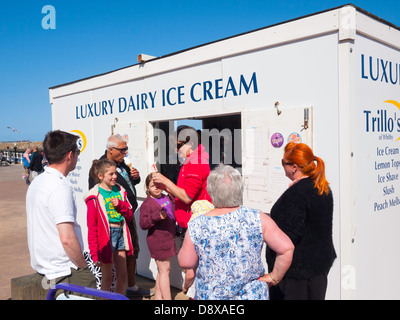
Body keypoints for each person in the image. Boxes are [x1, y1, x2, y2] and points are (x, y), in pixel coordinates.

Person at [178, 164, 294, 300]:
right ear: (240, 190)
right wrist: (274, 277)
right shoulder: (257, 217)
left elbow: (186, 262)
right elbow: (286, 248)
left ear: (211, 191)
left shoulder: (197, 225)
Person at [26, 130, 96, 296]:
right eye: (77, 153)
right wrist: (83, 267)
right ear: (70, 155)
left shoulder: (38, 181)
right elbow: (67, 238)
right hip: (65, 271)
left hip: (45, 267)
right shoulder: (60, 187)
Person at [266, 142, 336, 300]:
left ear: (294, 167)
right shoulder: (321, 187)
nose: (283, 166)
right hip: (318, 269)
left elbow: (288, 236)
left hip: (296, 275)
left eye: (283, 163)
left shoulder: (298, 193)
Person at [88, 134, 151, 297]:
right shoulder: (101, 166)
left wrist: (135, 178)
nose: (126, 152)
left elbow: (126, 185)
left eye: (126, 149)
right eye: (122, 149)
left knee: (132, 253)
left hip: (125, 217)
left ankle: (130, 287)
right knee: (108, 273)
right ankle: (117, 291)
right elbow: (96, 203)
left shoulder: (121, 164)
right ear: (111, 150)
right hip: (109, 226)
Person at [85, 158, 134, 295]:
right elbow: (92, 227)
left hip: (120, 233)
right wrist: (94, 254)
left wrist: (121, 205)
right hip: (105, 236)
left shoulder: (120, 190)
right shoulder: (94, 196)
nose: (114, 177)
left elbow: (129, 215)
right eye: (111, 174)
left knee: (122, 276)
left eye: (115, 173)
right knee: (107, 278)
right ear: (100, 176)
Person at [152, 125, 212, 232]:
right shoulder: (191, 160)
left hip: (194, 223)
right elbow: (183, 192)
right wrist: (166, 187)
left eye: (179, 145)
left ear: (191, 144)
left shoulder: (196, 162)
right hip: (189, 221)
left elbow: (187, 197)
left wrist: (165, 180)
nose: (176, 149)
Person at [139, 173, 177, 300]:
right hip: (157, 241)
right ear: (147, 188)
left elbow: (173, 210)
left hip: (168, 238)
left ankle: (158, 298)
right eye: (152, 185)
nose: (156, 188)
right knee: (165, 271)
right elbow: (143, 224)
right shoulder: (147, 204)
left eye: (158, 185)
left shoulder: (165, 197)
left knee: (163, 271)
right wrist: (156, 216)